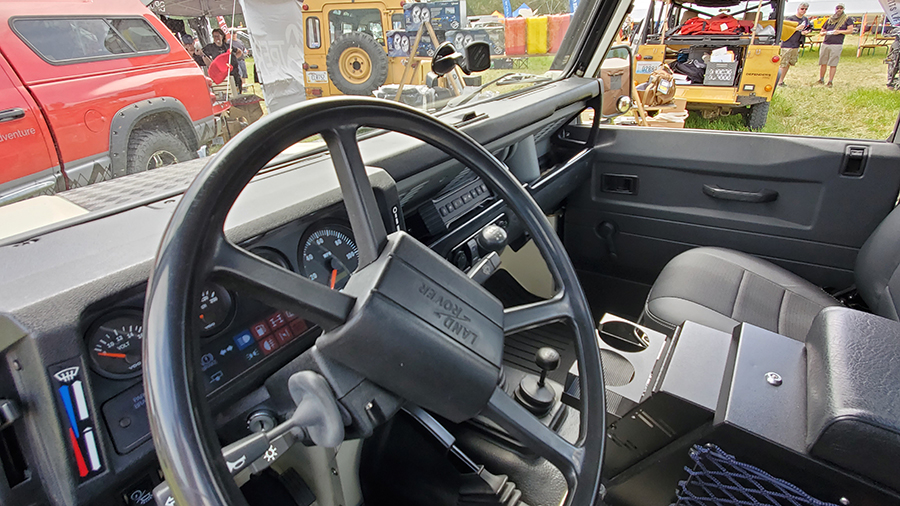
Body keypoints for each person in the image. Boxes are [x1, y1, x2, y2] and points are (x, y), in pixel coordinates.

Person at [817, 4, 854, 87]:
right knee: (823, 62)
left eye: (841, 8)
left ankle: (830, 81)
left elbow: (850, 30)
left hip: (836, 44)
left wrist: (840, 32)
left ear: (843, 9)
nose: (839, 10)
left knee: (833, 63)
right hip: (826, 42)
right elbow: (822, 31)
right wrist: (823, 33)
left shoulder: (847, 19)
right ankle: (821, 79)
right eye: (838, 8)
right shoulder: (830, 19)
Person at [777, 2, 812, 86]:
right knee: (783, 63)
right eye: (802, 9)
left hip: (796, 44)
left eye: (805, 9)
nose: (803, 11)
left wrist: (806, 31)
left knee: (789, 63)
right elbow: (785, 30)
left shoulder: (805, 19)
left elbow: (810, 27)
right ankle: (778, 81)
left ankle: (782, 80)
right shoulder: (790, 18)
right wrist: (797, 28)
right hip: (787, 43)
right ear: (798, 9)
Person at [202, 28, 243, 94]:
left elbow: (239, 51)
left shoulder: (227, 46)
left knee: (235, 89)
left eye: (218, 36)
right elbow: (203, 55)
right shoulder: (210, 47)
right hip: (220, 74)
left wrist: (233, 58)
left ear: (222, 36)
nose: (216, 38)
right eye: (214, 36)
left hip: (232, 72)